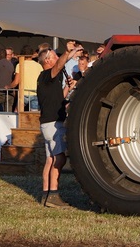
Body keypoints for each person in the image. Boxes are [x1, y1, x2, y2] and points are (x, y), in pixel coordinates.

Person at [37, 40, 83, 208]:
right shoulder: (46, 75)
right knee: (60, 158)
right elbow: (59, 65)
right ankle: (53, 195)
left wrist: (68, 88)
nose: (58, 58)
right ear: (48, 60)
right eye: (54, 56)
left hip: (48, 123)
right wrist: (67, 52)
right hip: (52, 123)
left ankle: (46, 194)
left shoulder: (47, 80)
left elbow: (58, 98)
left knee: (50, 160)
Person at [7, 45, 44, 111]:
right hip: (35, 93)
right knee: (34, 114)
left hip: (23, 93)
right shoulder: (39, 66)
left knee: (17, 112)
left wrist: (8, 86)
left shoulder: (20, 65)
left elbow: (16, 82)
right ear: (32, 54)